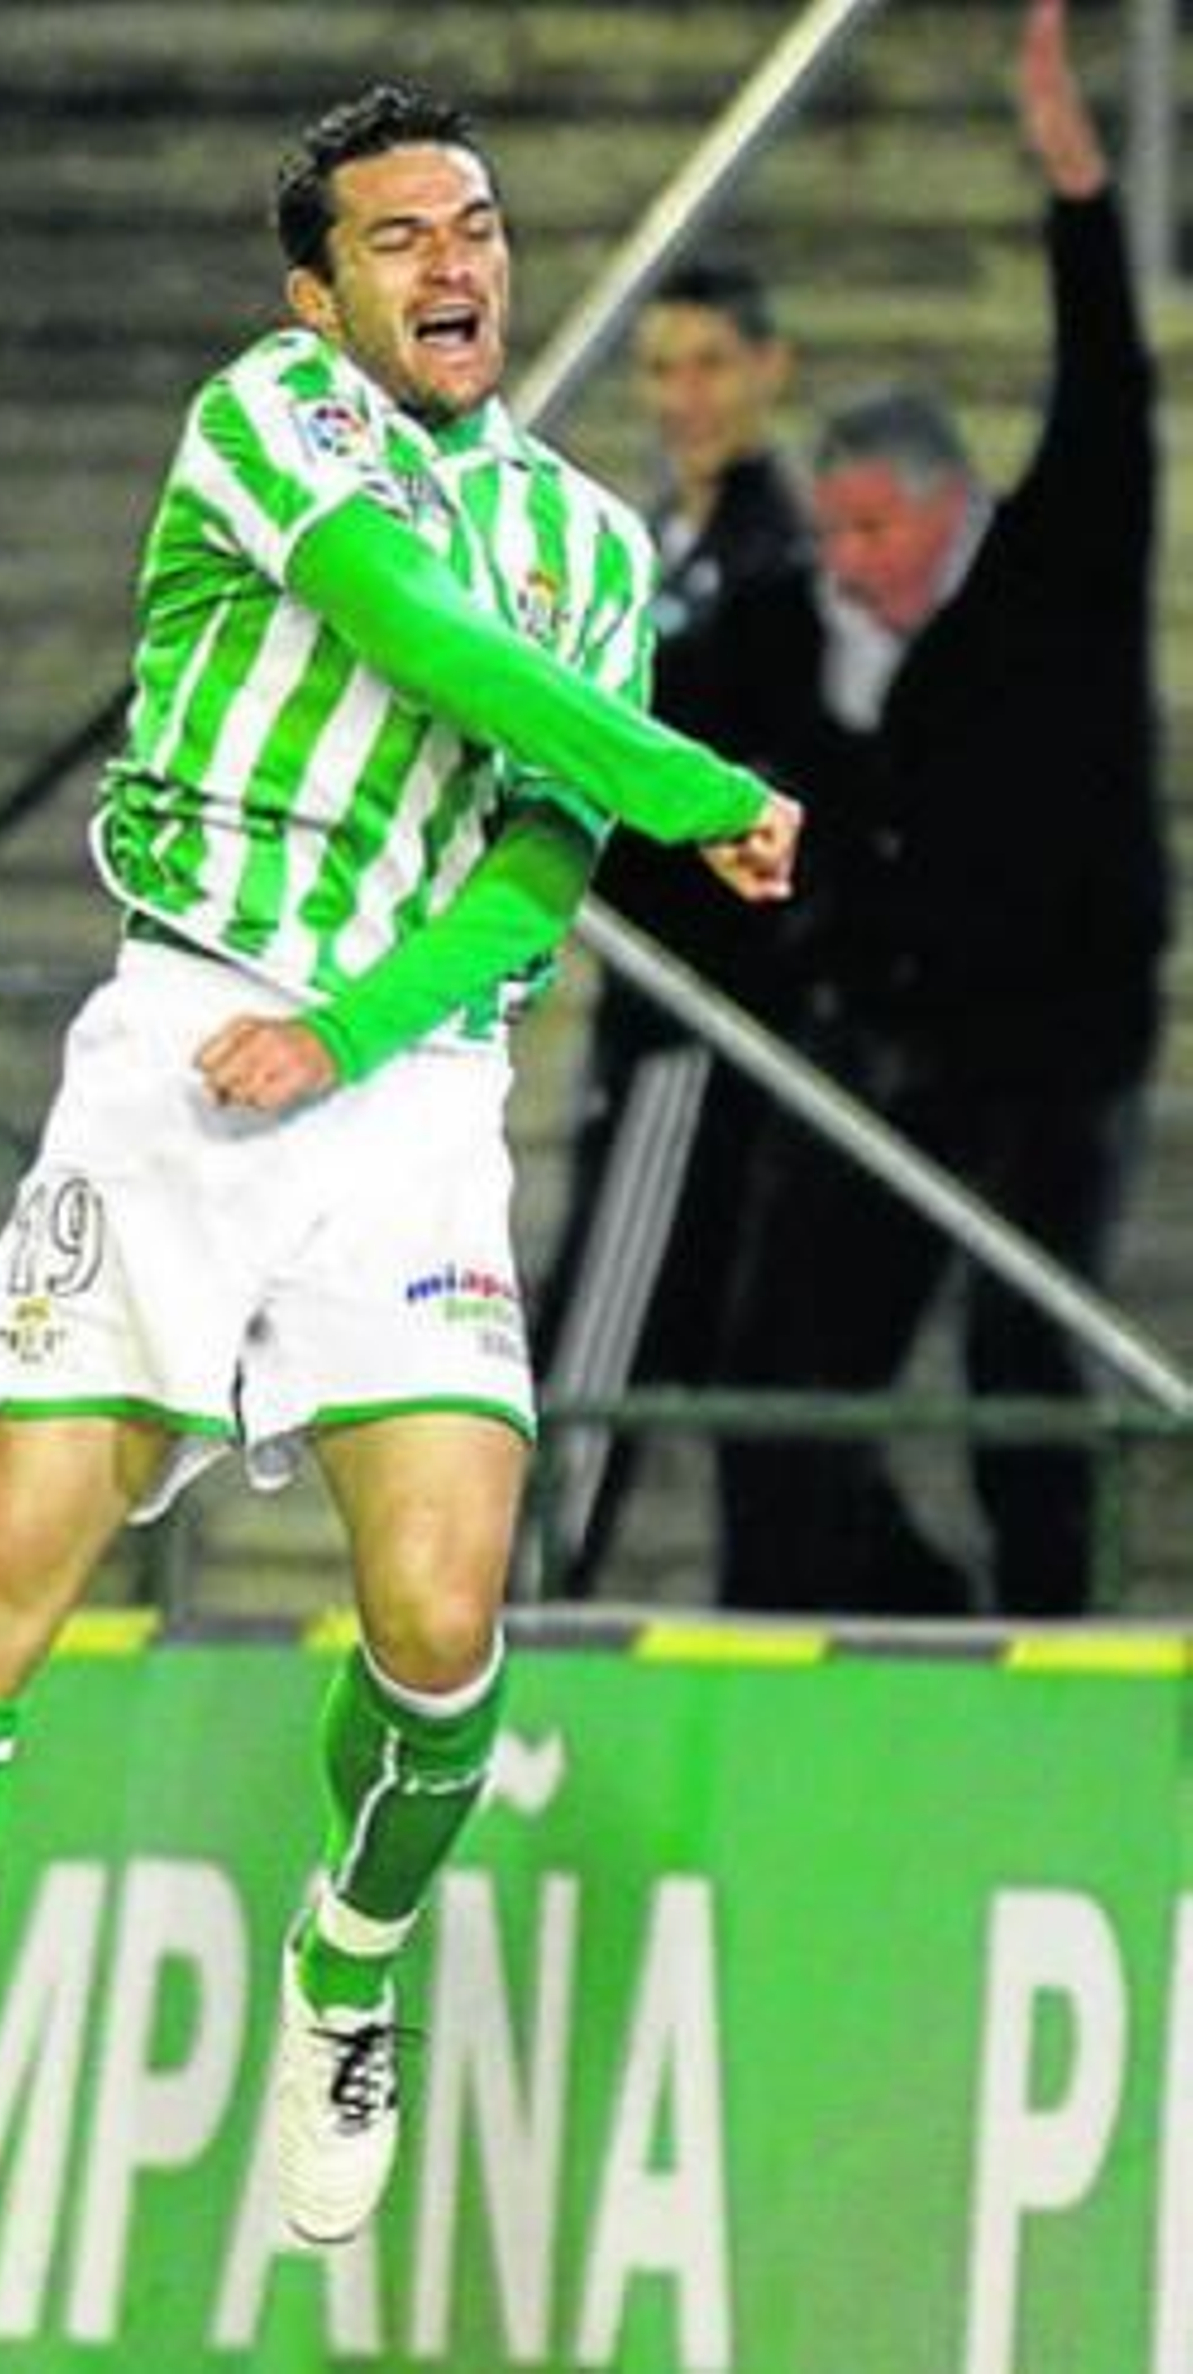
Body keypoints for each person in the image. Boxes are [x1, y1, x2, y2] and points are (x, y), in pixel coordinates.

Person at [0, 83, 798, 2307]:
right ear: (316, 291)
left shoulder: (582, 539)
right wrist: (699, 787)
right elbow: (421, 645)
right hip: (179, 1060)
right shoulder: (263, 423)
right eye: (396, 238)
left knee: (446, 1612)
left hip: (403, 1085)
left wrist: (360, 1026)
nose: (453, 262)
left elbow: (535, 856)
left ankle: (344, 1971)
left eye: (474, 223)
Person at [663, 0, 1167, 1617]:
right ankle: (869, 1610)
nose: (854, 560)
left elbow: (1109, 399)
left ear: (951, 507)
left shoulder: (1054, 569)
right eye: (840, 530)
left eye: (879, 528)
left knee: (1025, 1358)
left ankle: (1055, 1642)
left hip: (1059, 1045)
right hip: (899, 1039)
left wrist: (1077, 196)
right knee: (788, 1364)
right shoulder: (826, 642)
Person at [534, 260, 808, 1592]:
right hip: (646, 1006)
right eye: (659, 370)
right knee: (650, 1321)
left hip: (699, 1014)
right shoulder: (657, 549)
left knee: (607, 1321)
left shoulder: (776, 570)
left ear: (770, 371)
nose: (682, 398)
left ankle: (530, 1585)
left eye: (708, 365)